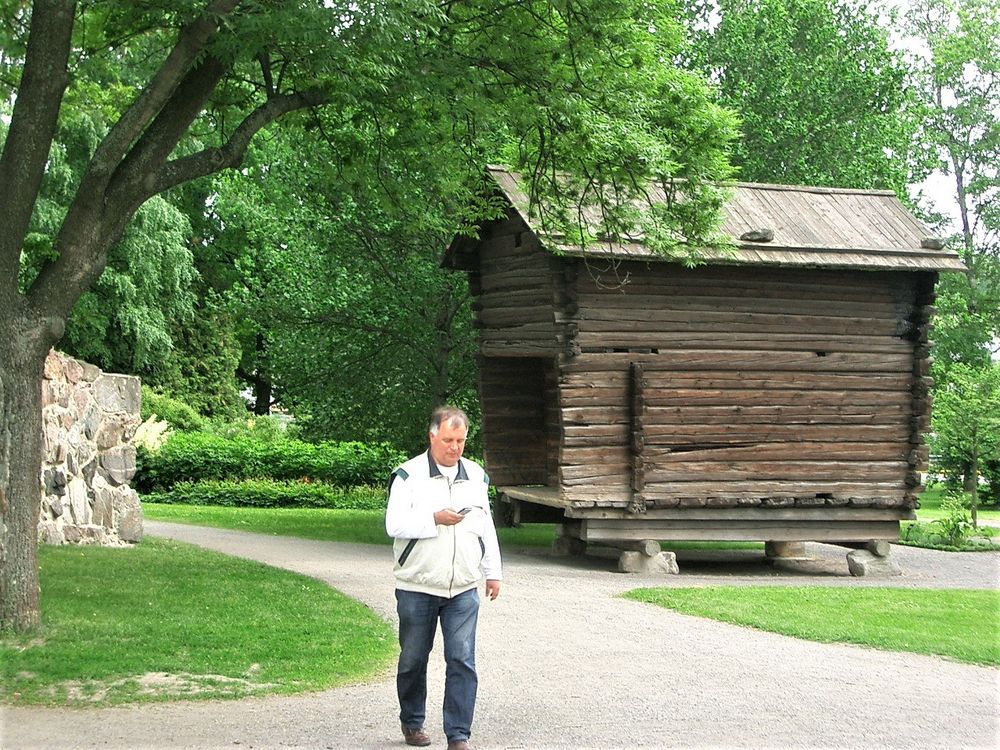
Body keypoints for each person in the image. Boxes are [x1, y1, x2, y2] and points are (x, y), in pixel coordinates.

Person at [385, 406, 503, 750]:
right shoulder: (408, 476)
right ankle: (413, 723)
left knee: (462, 660)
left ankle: (458, 735)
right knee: (413, 659)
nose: (455, 447)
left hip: (463, 588)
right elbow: (394, 525)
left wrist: (492, 572)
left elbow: (486, 526)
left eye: (461, 440)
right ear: (432, 435)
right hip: (417, 586)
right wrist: (433, 518)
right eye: (449, 439)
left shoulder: (477, 476)